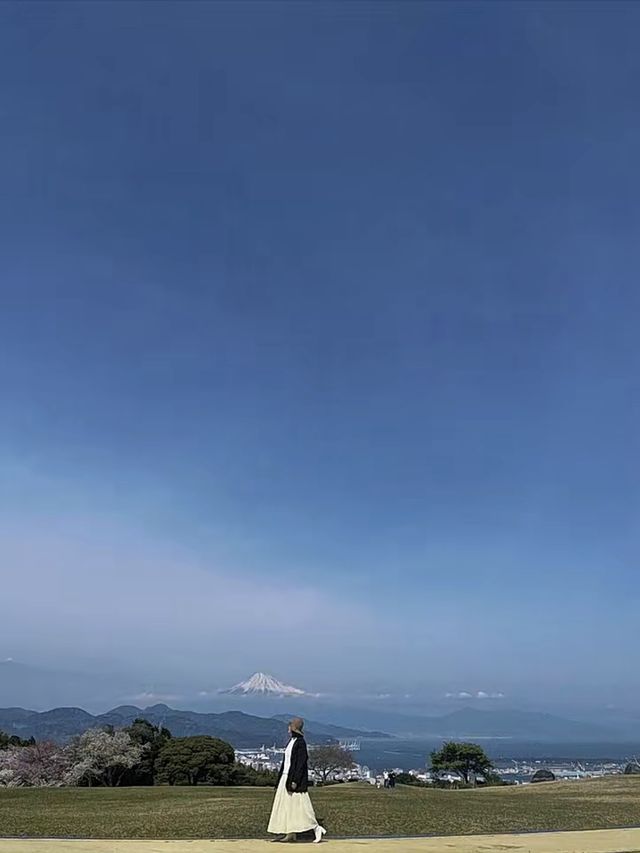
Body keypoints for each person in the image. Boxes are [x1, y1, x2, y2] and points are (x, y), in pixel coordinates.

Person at [268, 717, 327, 844]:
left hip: (293, 779)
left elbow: (300, 763)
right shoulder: (292, 741)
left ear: (293, 727)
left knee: (301, 806)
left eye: (290, 726)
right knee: (287, 806)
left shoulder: (300, 743)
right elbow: (286, 762)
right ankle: (290, 833)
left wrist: (295, 780)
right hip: (285, 777)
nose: (288, 728)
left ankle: (316, 828)